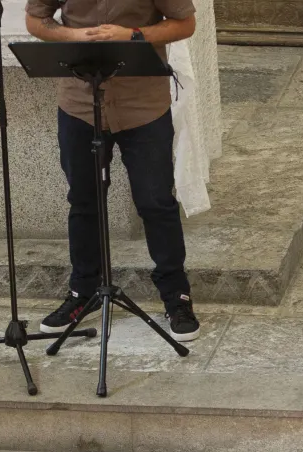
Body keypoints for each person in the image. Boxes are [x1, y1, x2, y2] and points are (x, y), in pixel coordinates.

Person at [25, 0, 201, 342]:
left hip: (144, 106)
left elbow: (184, 23)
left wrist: (133, 34)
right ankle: (83, 292)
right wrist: (72, 35)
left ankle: (176, 297)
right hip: (79, 104)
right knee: (84, 201)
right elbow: (36, 19)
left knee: (155, 202)